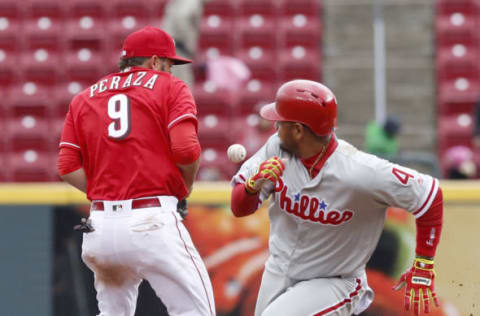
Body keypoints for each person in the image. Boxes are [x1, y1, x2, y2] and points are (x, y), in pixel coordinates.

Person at [230, 80, 443, 316]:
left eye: (280, 122)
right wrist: (252, 186)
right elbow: (239, 208)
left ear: (298, 131)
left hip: (333, 281)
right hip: (278, 270)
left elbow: (429, 193)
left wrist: (423, 265)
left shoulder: (360, 171)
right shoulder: (277, 148)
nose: (275, 127)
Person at [57, 26, 216, 316]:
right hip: (152, 222)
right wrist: (186, 187)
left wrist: (105, 194)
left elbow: (67, 167)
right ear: (155, 62)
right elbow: (186, 150)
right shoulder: (171, 87)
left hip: (100, 227)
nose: (170, 71)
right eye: (168, 64)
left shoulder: (84, 98)